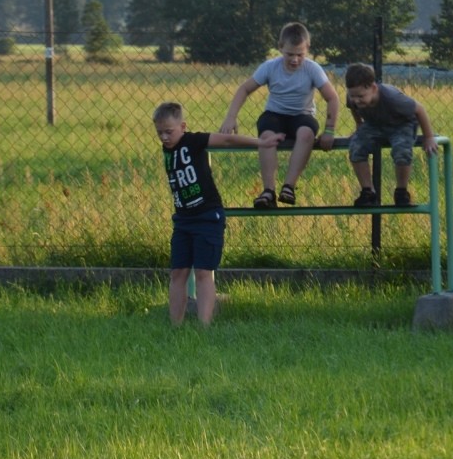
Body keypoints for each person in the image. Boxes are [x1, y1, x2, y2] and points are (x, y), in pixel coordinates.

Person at [154, 101, 283, 325]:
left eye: (169, 132)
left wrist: (260, 142)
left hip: (207, 217)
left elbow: (227, 139)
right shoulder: (167, 149)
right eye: (159, 133)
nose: (164, 137)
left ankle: (204, 325)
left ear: (182, 127)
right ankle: (175, 325)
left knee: (204, 272)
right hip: (183, 220)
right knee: (178, 273)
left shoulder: (193, 141)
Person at [220, 22, 341, 208]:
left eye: (300, 54)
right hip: (275, 114)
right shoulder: (270, 67)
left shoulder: (312, 69)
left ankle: (289, 187)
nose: (294, 60)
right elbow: (244, 89)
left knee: (306, 134)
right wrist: (231, 117)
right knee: (267, 136)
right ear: (280, 48)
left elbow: (332, 98)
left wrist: (329, 130)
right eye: (289, 54)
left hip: (302, 115)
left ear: (307, 49)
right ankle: (268, 191)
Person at [343, 62, 438, 207]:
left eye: (360, 96)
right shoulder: (353, 96)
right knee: (356, 147)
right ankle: (368, 192)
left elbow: (419, 109)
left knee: (402, 150)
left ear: (373, 88)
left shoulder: (392, 98)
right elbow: (353, 108)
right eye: (352, 95)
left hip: (401, 124)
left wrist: (429, 137)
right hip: (374, 124)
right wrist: (359, 125)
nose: (356, 100)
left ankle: (401, 192)